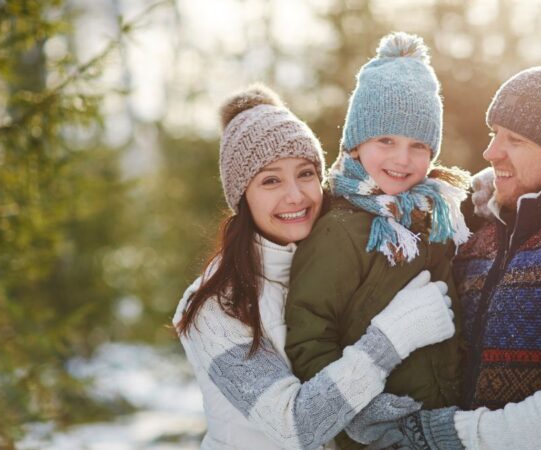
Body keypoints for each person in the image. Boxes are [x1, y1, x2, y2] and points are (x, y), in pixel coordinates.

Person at [350, 66, 541, 449]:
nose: (490, 151)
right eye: (493, 133)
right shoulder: (478, 230)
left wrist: (432, 433)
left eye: (515, 140)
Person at [172, 84, 457, 450]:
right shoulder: (215, 306)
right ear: (242, 195)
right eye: (271, 180)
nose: (295, 195)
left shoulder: (335, 261)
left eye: (306, 173)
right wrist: (392, 337)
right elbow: (295, 427)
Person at [284, 32, 470, 449]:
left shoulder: (434, 216)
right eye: (386, 140)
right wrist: (362, 415)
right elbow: (308, 337)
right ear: (355, 144)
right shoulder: (340, 230)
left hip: (437, 425)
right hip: (372, 435)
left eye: (418, 146)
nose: (402, 159)